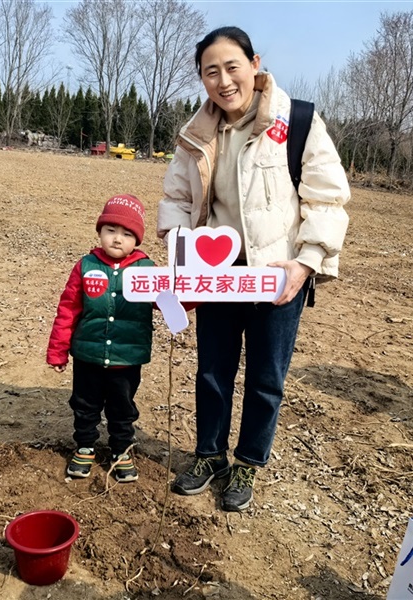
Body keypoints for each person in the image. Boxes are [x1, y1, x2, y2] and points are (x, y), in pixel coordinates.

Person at [157, 26, 351, 512]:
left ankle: (247, 462)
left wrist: (305, 264)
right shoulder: (197, 134)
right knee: (212, 371)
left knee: (267, 378)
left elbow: (327, 199)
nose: (223, 81)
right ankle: (209, 455)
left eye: (232, 67)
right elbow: (176, 199)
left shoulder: (297, 120)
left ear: (254, 64)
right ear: (202, 78)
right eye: (211, 72)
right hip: (218, 276)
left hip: (276, 277)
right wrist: (180, 257)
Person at [47, 194, 155, 483]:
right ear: (99, 232)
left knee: (123, 408)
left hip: (126, 359)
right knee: (85, 404)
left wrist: (187, 296)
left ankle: (121, 449)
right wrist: (58, 350)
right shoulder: (86, 266)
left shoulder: (147, 269)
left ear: (137, 240)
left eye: (127, 234)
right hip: (88, 356)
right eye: (110, 230)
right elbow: (67, 309)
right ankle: (84, 446)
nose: (117, 239)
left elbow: (167, 301)